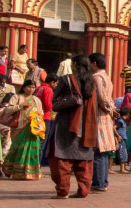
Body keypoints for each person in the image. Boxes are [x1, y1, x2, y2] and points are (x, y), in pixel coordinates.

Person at [48, 55, 96, 198]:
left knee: (62, 159)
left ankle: (63, 191)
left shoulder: (66, 79)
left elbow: (53, 100)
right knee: (84, 160)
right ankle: (84, 190)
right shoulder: (92, 81)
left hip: (66, 123)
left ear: (74, 65)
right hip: (87, 125)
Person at [0, 79, 44, 180]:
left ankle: (31, 173)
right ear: (24, 87)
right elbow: (8, 109)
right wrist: (21, 106)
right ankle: (15, 171)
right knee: (18, 148)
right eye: (29, 87)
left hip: (32, 129)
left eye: (33, 87)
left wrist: (37, 115)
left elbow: (41, 112)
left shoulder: (36, 100)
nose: (31, 89)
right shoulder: (17, 97)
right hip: (19, 128)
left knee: (32, 150)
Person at [87, 53, 116, 191]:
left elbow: (102, 98)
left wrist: (108, 108)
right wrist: (112, 110)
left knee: (98, 151)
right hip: (106, 118)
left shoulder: (96, 78)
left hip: (99, 117)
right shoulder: (106, 77)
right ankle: (102, 182)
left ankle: (98, 183)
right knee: (103, 152)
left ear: (94, 63)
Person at [114, 108, 130, 173]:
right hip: (121, 139)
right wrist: (118, 136)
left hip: (123, 138)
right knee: (122, 153)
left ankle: (123, 168)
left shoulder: (122, 120)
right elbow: (114, 128)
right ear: (127, 114)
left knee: (125, 153)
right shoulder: (120, 121)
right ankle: (122, 169)